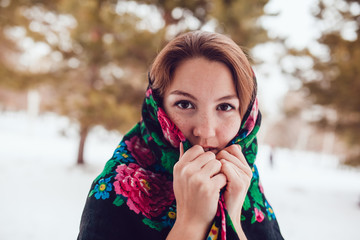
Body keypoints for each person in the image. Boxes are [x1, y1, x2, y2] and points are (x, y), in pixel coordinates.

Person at [78, 31, 284, 240]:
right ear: (158, 108)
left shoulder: (244, 179)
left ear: (246, 114)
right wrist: (190, 224)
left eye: (225, 106)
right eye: (185, 104)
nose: (205, 130)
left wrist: (232, 218)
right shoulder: (114, 191)